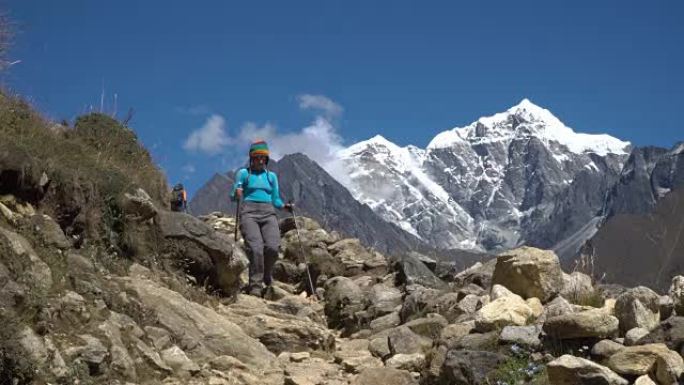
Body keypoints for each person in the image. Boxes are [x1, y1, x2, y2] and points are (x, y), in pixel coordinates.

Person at [231, 140, 293, 297]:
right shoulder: (243, 173)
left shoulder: (271, 176)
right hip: (248, 213)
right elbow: (234, 195)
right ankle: (255, 286)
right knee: (256, 248)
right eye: (257, 157)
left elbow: (276, 199)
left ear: (266, 159)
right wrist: (237, 193)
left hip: (268, 212)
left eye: (262, 158)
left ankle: (266, 273)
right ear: (252, 158)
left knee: (273, 247)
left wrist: (284, 207)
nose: (260, 160)